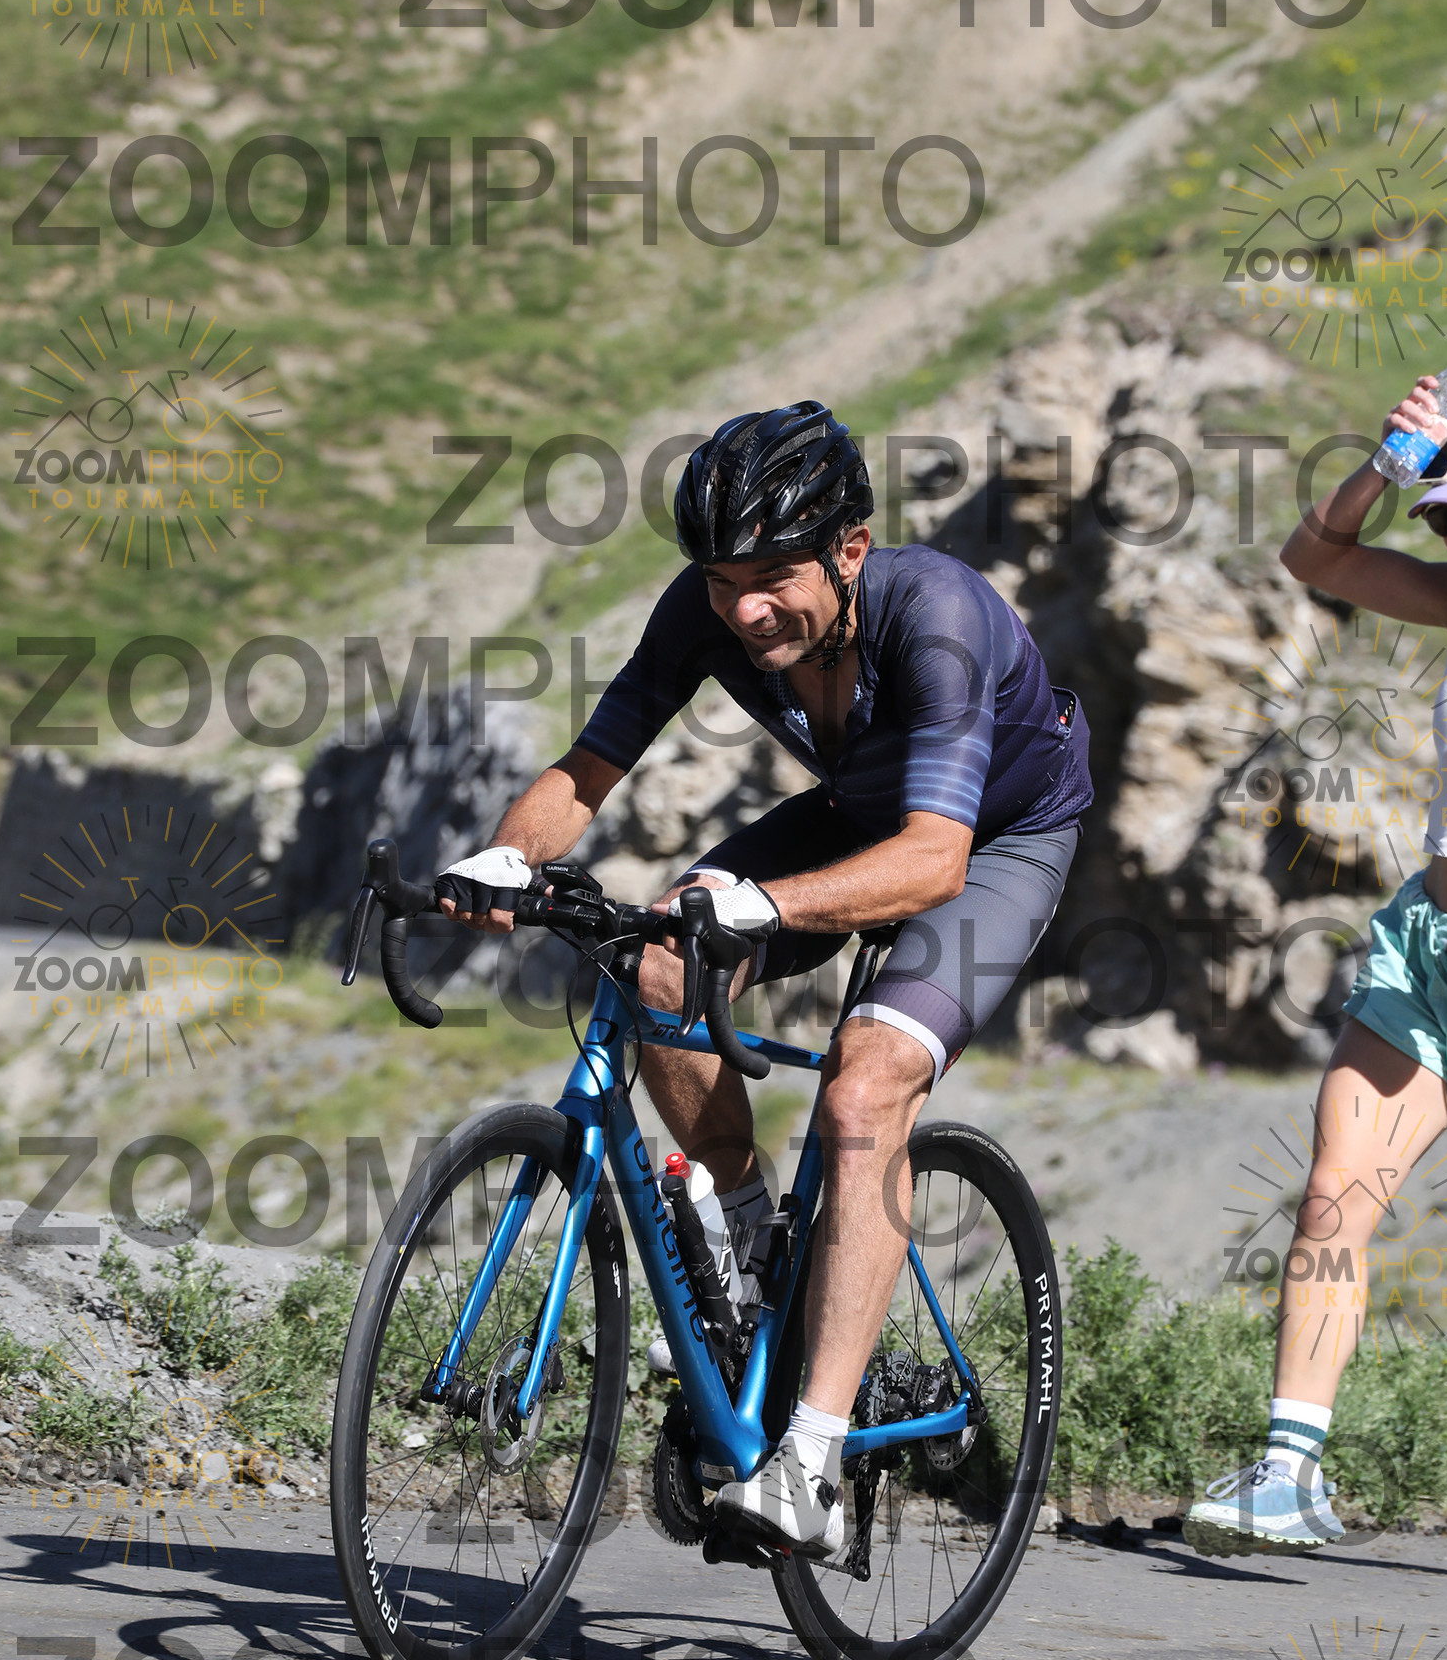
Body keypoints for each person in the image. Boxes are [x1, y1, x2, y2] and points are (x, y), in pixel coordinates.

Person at [439, 400, 1091, 1554]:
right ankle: (744, 1257)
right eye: (722, 580)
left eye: (774, 577)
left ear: (850, 549)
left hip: (996, 840)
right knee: (655, 966)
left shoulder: (936, 614)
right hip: (858, 812)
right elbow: (587, 769)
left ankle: (813, 1463)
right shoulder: (708, 610)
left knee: (864, 1086)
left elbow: (933, 863)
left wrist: (766, 905)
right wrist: (507, 856)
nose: (744, 610)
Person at [1185, 390, 1447, 1556]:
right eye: (1446, 514)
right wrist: (1386, 463)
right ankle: (1289, 1473)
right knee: (1333, 1192)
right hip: (1426, 950)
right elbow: (1315, 557)